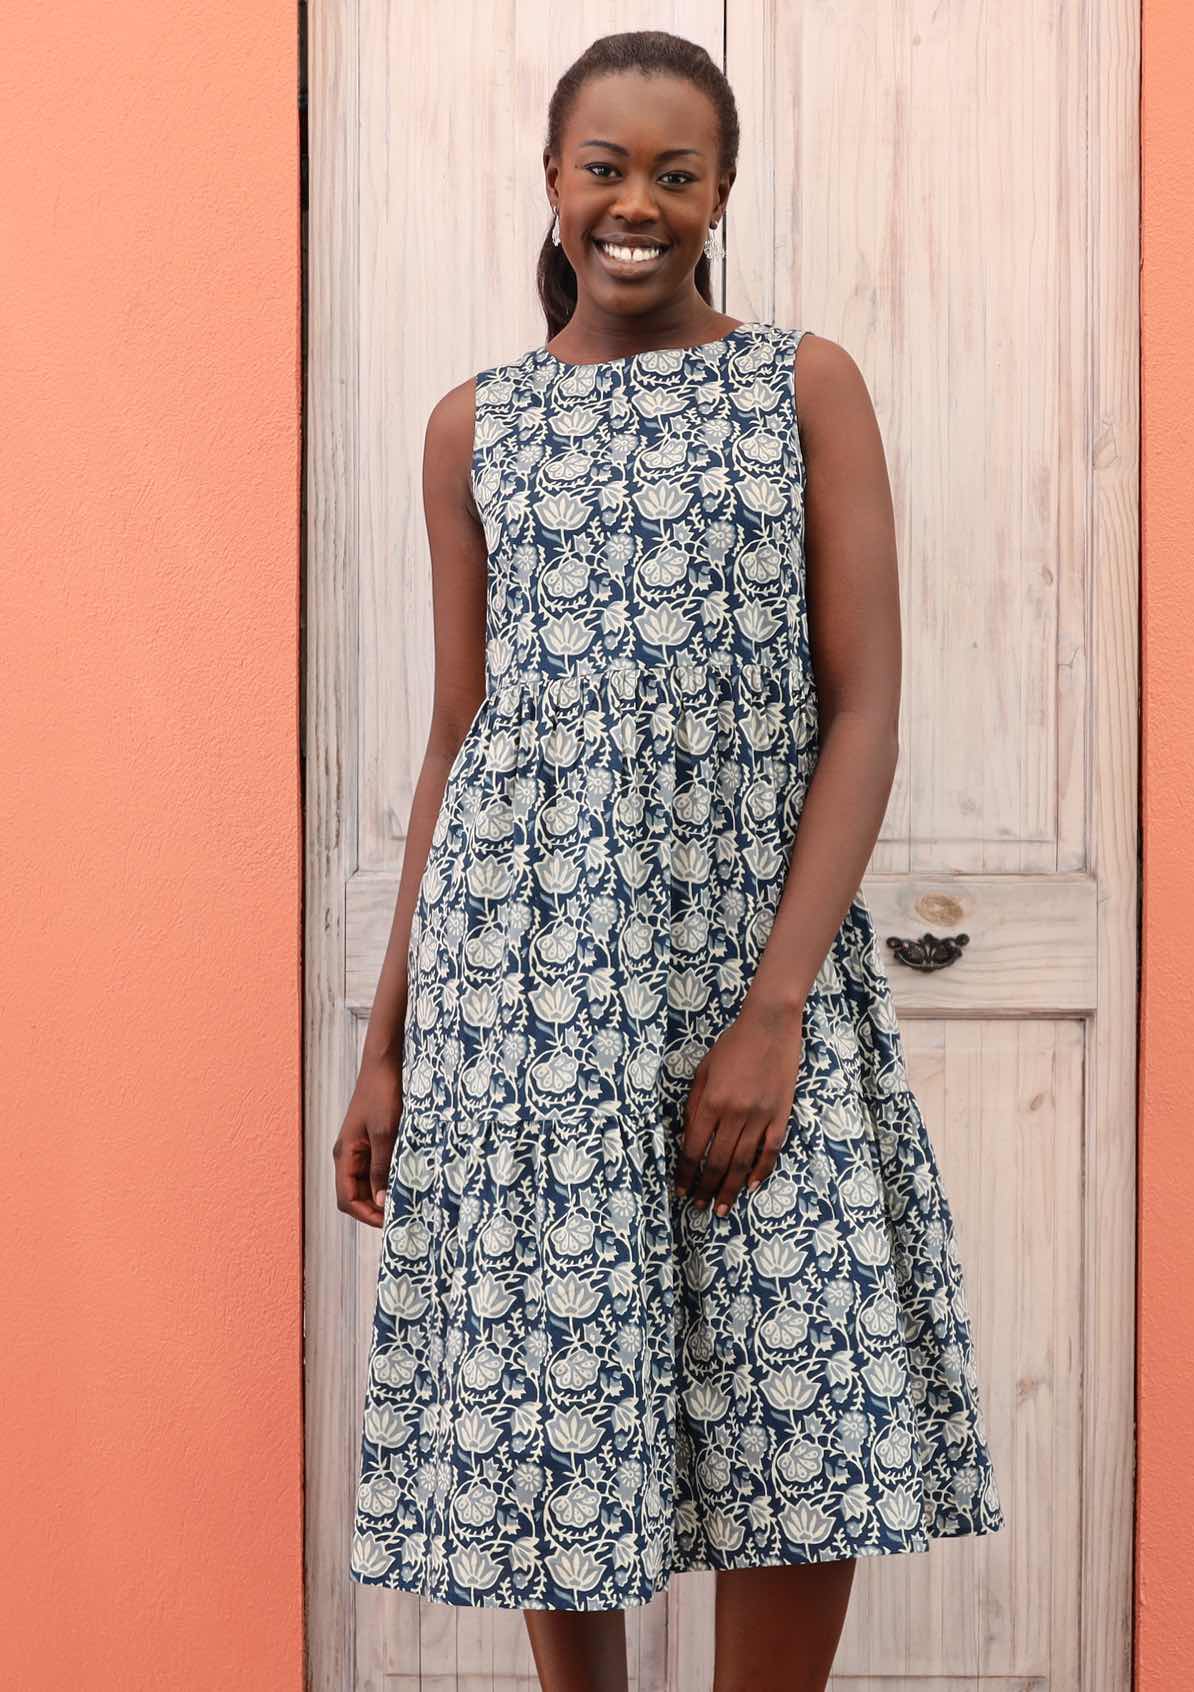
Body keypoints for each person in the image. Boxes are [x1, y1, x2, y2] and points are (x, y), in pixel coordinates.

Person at [334, 27, 1005, 1692]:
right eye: (604, 169)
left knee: (799, 1388)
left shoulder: (803, 385)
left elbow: (863, 713)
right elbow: (460, 737)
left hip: (747, 965)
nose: (636, 204)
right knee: (562, 1398)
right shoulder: (470, 426)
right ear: (553, 188)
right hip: (528, 986)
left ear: (722, 195)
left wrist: (775, 1007)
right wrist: (390, 1035)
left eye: (675, 174)